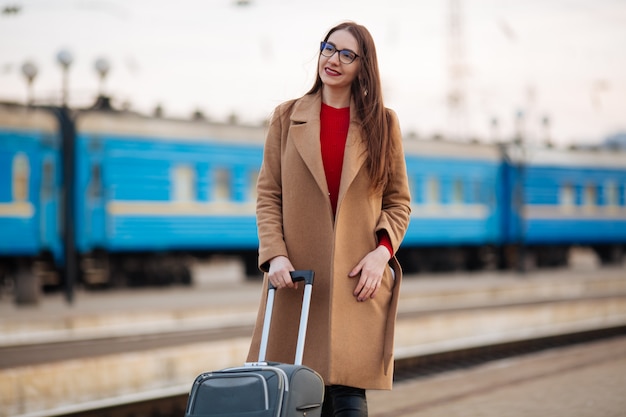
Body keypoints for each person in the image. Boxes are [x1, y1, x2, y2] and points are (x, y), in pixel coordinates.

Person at [247, 21, 411, 417]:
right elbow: (269, 195)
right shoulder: (286, 118)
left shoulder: (383, 124)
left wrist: (381, 253)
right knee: (297, 398)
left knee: (349, 398)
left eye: (346, 54)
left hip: (359, 281)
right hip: (298, 283)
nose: (332, 60)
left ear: (363, 66)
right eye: (328, 48)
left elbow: (398, 202)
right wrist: (275, 255)